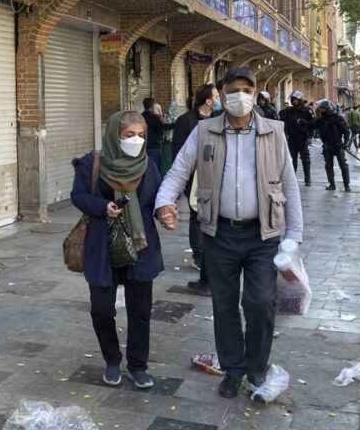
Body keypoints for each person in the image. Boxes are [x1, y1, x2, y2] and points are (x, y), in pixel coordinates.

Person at [156, 67, 303, 399]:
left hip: (262, 236)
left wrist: (293, 234)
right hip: (219, 234)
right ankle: (233, 369)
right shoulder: (204, 131)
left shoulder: (273, 132)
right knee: (224, 306)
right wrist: (164, 203)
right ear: (221, 94)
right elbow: (179, 170)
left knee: (261, 303)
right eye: (234, 89)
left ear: (255, 93)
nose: (241, 95)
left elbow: (290, 185)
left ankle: (257, 368)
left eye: (247, 89)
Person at [70, 110, 164, 390]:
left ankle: (138, 365)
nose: (136, 141)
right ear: (115, 136)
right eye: (129, 135)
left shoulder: (149, 165)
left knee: (140, 311)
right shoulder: (92, 162)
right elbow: (78, 196)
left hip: (140, 245)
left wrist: (167, 211)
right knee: (101, 310)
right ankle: (112, 360)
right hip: (103, 246)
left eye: (141, 135)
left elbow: (159, 198)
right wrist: (102, 207)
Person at [172, 84, 222, 297]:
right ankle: (200, 258)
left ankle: (209, 272)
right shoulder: (185, 121)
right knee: (197, 218)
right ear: (207, 100)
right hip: (194, 178)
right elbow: (179, 154)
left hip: (216, 177)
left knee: (213, 220)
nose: (219, 99)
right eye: (216, 96)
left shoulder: (220, 118)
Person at [312, 99, 351, 192]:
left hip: (338, 146)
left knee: (343, 166)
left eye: (323, 109)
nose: (321, 111)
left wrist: (345, 144)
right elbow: (312, 125)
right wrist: (303, 123)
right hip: (327, 146)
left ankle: (347, 185)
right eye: (321, 109)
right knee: (328, 166)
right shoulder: (321, 120)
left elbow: (346, 132)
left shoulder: (338, 119)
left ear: (328, 108)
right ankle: (332, 184)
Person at [279, 90, 314, 186]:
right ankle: (292, 178)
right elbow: (281, 118)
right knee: (292, 160)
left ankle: (308, 179)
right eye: (292, 99)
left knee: (305, 160)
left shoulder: (307, 111)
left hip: (303, 138)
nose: (292, 101)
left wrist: (305, 125)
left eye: (294, 99)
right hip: (292, 138)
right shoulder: (288, 111)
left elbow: (312, 124)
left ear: (300, 100)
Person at [141, 97, 174, 174]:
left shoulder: (140, 116)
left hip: (143, 146)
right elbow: (163, 127)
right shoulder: (154, 117)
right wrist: (176, 124)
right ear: (152, 106)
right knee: (154, 168)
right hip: (154, 146)